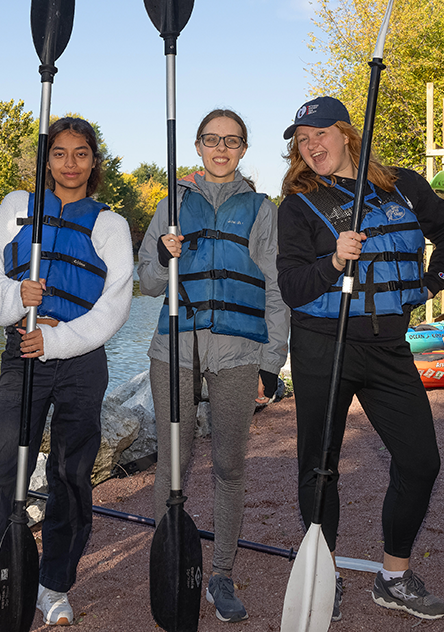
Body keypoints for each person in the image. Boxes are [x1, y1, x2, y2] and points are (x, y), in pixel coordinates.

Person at [277, 95, 444, 622]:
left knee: (420, 461)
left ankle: (393, 576)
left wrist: (428, 285)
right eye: (302, 140)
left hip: (387, 346)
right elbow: (292, 286)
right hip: (322, 345)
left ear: (345, 134)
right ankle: (324, 573)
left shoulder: (402, 184)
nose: (311, 146)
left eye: (320, 134)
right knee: (320, 466)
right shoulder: (296, 205)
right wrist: (334, 259)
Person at [0, 117, 134, 632]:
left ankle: (54, 587)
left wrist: (55, 339)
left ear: (94, 162)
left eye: (81, 154)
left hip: (80, 359)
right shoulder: (17, 207)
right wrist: (17, 299)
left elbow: (115, 304)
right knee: (0, 475)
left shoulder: (110, 224)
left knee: (71, 476)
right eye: (59, 153)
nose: (70, 163)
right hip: (22, 353)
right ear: (46, 158)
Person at [136, 108, 290, 622]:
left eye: (232, 140)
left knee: (229, 465)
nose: (221, 148)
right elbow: (151, 283)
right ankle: (167, 562)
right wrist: (163, 252)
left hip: (239, 352)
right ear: (198, 146)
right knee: (173, 463)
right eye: (211, 139)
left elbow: (276, 290)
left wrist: (272, 363)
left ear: (244, 149)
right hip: (175, 349)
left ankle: (220, 572)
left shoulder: (262, 208)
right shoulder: (172, 205)